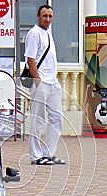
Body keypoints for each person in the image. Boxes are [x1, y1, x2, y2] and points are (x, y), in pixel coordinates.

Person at [24, 4, 65, 165]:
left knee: (57, 118)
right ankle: (36, 155)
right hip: (41, 82)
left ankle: (49, 153)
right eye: (44, 16)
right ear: (38, 16)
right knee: (38, 119)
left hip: (53, 82)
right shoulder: (34, 33)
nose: (47, 19)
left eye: (50, 16)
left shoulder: (48, 33)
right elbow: (30, 59)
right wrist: (38, 80)